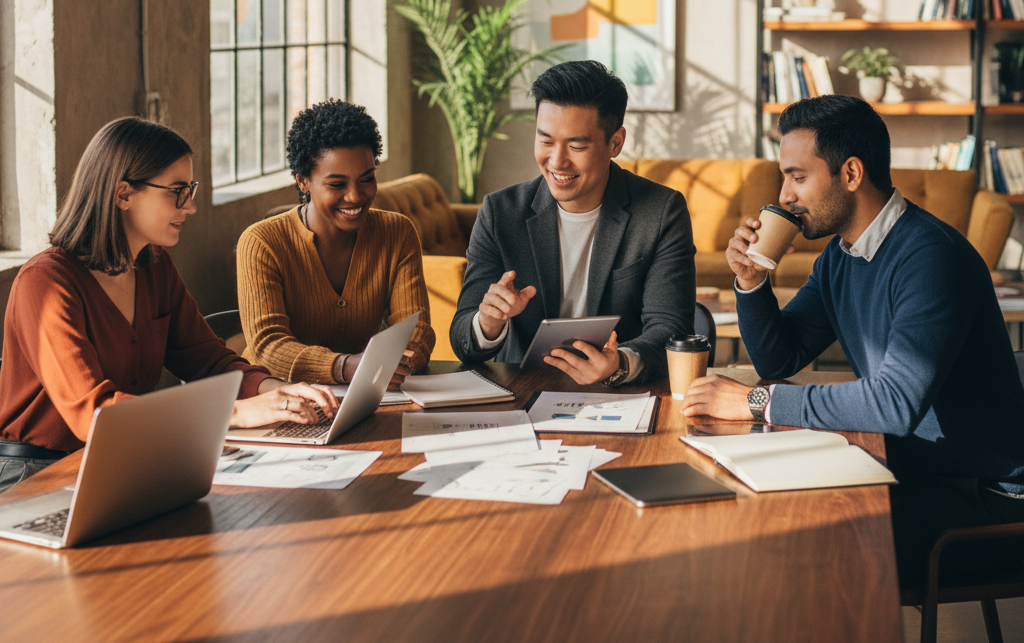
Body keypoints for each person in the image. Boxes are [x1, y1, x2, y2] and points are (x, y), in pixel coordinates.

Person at [681, 95, 1024, 585]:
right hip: (916, 468)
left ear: (851, 174)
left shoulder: (930, 258)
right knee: (754, 507)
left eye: (798, 177)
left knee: (796, 544)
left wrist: (757, 402)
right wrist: (751, 282)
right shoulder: (842, 256)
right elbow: (781, 354)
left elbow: (894, 403)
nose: (785, 196)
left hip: (988, 499)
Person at [0, 117, 338, 494]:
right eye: (177, 191)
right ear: (123, 194)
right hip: (36, 473)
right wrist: (237, 413)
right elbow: (95, 414)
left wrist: (279, 391)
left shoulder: (154, 266)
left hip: (123, 457)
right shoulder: (45, 283)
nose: (190, 207)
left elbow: (209, 362)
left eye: (189, 189)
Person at [450, 60, 695, 385]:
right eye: (546, 141)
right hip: (521, 392)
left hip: (620, 396)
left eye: (577, 145)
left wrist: (620, 362)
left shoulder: (661, 211)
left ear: (616, 143)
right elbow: (463, 339)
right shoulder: (501, 212)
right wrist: (488, 322)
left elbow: (670, 328)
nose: (557, 161)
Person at [236, 100, 434, 388]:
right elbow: (269, 348)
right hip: (279, 398)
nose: (355, 196)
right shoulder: (261, 243)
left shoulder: (397, 232)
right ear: (303, 181)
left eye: (367, 179)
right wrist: (345, 367)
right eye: (337, 185)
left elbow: (416, 329)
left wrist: (398, 362)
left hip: (362, 394)